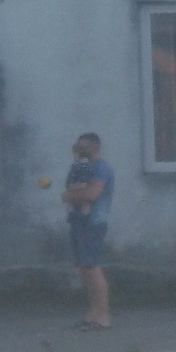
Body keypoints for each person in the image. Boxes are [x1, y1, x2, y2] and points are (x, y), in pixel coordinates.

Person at [62, 132, 116, 328]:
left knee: (92, 268)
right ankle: (93, 315)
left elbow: (91, 194)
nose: (78, 149)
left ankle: (103, 317)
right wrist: (70, 195)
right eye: (78, 145)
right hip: (78, 221)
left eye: (83, 146)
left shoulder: (101, 168)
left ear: (95, 147)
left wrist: (69, 196)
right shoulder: (79, 168)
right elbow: (72, 190)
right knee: (84, 269)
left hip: (93, 224)